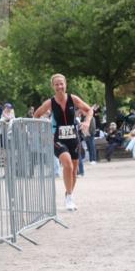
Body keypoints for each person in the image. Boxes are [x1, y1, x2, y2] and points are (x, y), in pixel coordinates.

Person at [33, 73, 92, 211]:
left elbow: (89, 110)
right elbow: (36, 115)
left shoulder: (73, 98)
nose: (59, 86)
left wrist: (87, 122)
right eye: (56, 84)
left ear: (65, 85)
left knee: (74, 171)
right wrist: (43, 132)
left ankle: (68, 195)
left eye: (61, 84)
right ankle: (69, 199)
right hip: (58, 139)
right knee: (68, 165)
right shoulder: (50, 103)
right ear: (53, 87)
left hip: (74, 138)